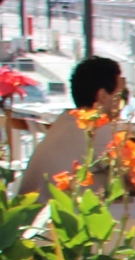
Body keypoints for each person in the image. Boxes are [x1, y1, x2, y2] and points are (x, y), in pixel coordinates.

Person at [14, 55, 123, 197]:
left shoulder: (65, 122)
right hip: (55, 216)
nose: (123, 102)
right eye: (122, 94)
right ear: (102, 96)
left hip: (33, 215)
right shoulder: (97, 128)